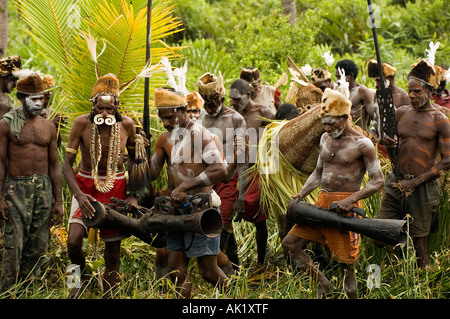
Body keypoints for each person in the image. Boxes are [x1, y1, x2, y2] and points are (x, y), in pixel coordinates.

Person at [282, 88, 384, 299]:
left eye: (332, 123)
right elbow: (318, 173)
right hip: (321, 205)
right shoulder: (325, 139)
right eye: (324, 123)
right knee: (290, 245)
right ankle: (323, 284)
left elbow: (378, 180)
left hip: (345, 208)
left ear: (345, 118)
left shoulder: (362, 144)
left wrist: (352, 199)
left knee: (346, 266)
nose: (327, 127)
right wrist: (301, 194)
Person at [63, 74, 139, 298]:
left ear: (116, 106)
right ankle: (78, 280)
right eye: (100, 108)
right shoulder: (81, 123)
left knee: (112, 251)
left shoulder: (127, 125)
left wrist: (133, 195)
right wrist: (78, 194)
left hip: (116, 188)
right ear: (93, 106)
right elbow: (66, 165)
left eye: (109, 109)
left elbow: (137, 162)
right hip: (85, 187)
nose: (104, 114)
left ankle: (110, 291)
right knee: (73, 241)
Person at [150, 87, 228, 299]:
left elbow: (220, 169)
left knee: (208, 271)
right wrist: (137, 154)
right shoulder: (164, 139)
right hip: (176, 212)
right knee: (175, 270)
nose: (165, 123)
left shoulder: (201, 134)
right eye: (162, 118)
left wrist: (185, 186)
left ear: (183, 110)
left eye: (169, 117)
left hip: (201, 209)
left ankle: (234, 298)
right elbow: (152, 174)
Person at [377, 57, 450, 268]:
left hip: (423, 187)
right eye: (409, 91)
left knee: (420, 243)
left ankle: (422, 280)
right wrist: (388, 142)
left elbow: (447, 161)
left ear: (429, 91)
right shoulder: (401, 114)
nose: (411, 95)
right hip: (396, 183)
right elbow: (391, 148)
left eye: (417, 91)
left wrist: (415, 183)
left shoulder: (439, 120)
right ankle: (393, 271)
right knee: (380, 233)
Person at [0, 73, 63, 291]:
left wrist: (58, 201)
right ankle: (8, 291)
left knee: (38, 244)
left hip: (43, 187)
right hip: (16, 187)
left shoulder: (48, 127)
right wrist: (0, 197)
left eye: (42, 98)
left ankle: (29, 289)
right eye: (33, 99)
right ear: (21, 98)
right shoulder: (7, 124)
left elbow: (55, 164)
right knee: (14, 243)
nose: (39, 103)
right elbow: (0, 163)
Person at [197, 72, 247, 270]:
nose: (209, 106)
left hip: (228, 178)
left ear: (222, 99)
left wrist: (241, 194)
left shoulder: (236, 119)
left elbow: (241, 158)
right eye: (206, 102)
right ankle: (232, 264)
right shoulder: (202, 116)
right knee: (218, 224)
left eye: (213, 102)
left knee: (218, 221)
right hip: (207, 178)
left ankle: (224, 269)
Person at [229, 78, 275, 267]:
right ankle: (231, 263)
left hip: (256, 171)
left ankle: (261, 261)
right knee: (226, 214)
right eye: (231, 99)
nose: (233, 103)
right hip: (233, 170)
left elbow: (281, 134)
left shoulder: (263, 112)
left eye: (237, 99)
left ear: (248, 95)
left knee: (259, 219)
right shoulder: (230, 114)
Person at [335, 59, 376, 132]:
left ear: (351, 75)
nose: (337, 81)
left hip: (359, 136)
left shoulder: (361, 91)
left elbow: (375, 117)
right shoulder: (337, 91)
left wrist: (372, 131)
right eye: (336, 77)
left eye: (339, 77)